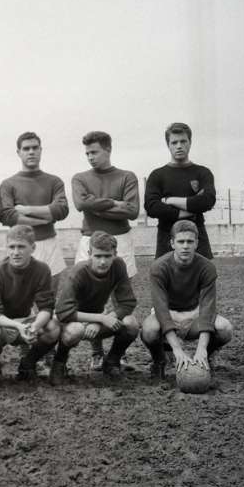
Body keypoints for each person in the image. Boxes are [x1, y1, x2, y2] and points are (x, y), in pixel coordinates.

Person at [72, 130, 139, 371]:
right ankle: (96, 353)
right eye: (87, 153)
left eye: (94, 152)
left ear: (108, 150)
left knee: (120, 297)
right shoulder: (80, 178)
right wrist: (114, 203)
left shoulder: (127, 177)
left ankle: (119, 354)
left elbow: (132, 211)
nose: (90, 157)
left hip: (120, 238)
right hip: (90, 240)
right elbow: (81, 204)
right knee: (91, 297)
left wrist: (95, 205)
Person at [141, 220, 232, 378]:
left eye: (190, 241)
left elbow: (208, 309)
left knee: (225, 328)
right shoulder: (159, 267)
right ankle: (159, 360)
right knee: (149, 329)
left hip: (194, 314)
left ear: (196, 243)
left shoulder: (207, 267)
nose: (185, 246)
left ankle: (206, 356)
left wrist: (201, 348)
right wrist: (178, 350)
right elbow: (161, 310)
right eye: (181, 241)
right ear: (172, 243)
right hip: (169, 313)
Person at [50, 231, 139, 385]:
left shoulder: (118, 266)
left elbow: (128, 302)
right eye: (98, 256)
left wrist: (102, 320)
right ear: (89, 254)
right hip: (73, 321)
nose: (103, 262)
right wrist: (101, 318)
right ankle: (59, 362)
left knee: (131, 324)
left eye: (107, 256)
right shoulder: (79, 271)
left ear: (115, 254)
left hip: (98, 319)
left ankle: (112, 361)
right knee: (74, 331)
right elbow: (63, 312)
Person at [0, 226, 61, 380]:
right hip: (1, 322)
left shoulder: (42, 269)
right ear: (6, 248)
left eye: (21, 247)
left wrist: (35, 326)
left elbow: (46, 307)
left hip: (26, 319)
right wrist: (17, 326)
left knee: (53, 327)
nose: (16, 252)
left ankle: (28, 363)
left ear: (33, 248)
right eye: (11, 247)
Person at [0, 132, 69, 293]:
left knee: (48, 297)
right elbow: (7, 215)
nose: (31, 152)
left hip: (49, 243)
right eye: (26, 148)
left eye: (35, 148)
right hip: (20, 246)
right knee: (19, 298)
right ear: (19, 152)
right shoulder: (8, 184)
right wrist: (45, 218)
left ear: (40, 150)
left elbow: (61, 210)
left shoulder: (54, 181)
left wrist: (26, 209)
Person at [144, 122, 216, 259]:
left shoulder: (202, 173)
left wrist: (170, 200)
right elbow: (152, 207)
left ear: (190, 142)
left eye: (183, 141)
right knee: (166, 273)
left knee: (203, 273)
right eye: (174, 142)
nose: (179, 146)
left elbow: (207, 201)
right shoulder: (157, 175)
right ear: (168, 145)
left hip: (197, 238)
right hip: (166, 239)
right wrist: (187, 211)